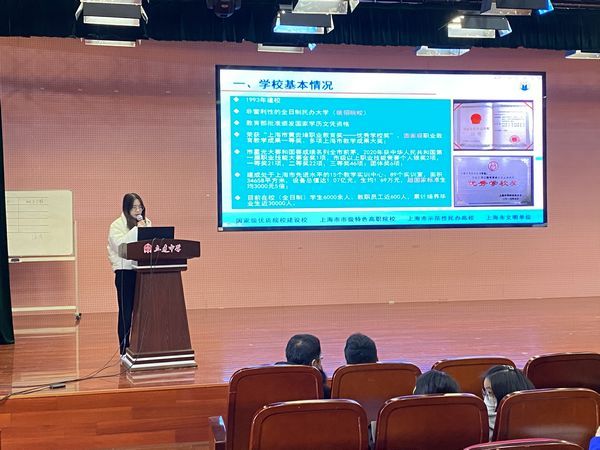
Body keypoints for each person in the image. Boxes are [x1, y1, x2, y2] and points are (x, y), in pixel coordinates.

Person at [107, 193, 151, 356]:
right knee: (126, 311)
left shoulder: (146, 223)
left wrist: (144, 228)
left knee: (143, 311)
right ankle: (124, 349)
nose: (138, 210)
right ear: (126, 208)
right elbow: (121, 246)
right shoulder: (116, 225)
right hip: (125, 272)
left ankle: (143, 346)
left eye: (140, 207)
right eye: (134, 207)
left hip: (143, 271)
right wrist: (137, 229)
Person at [482, 365, 535, 440]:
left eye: (490, 392)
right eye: (485, 393)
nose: (486, 399)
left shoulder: (535, 424)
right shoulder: (479, 423)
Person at [277, 334, 331, 398]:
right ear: (314, 363)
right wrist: (321, 375)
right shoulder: (322, 391)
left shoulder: (272, 381)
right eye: (320, 358)